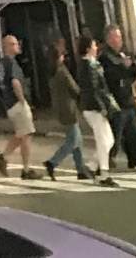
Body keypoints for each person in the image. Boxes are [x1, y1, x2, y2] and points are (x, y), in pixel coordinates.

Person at [98, 27, 136, 181]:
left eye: (120, 36)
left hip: (128, 102)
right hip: (117, 105)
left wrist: (131, 67)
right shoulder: (105, 58)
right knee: (113, 142)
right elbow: (111, 79)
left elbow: (130, 75)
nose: (119, 40)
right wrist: (124, 67)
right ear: (109, 39)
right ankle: (99, 168)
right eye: (116, 37)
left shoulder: (122, 55)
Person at [0, 34, 37, 181]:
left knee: (21, 134)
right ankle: (26, 169)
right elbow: (15, 83)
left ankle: (3, 157)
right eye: (15, 44)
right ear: (8, 46)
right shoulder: (11, 63)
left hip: (9, 104)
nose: (18, 46)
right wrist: (22, 100)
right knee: (27, 135)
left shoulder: (3, 63)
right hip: (17, 103)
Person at [41, 43, 90, 183]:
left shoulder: (52, 72)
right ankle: (53, 162)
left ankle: (81, 169)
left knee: (77, 140)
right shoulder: (62, 71)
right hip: (69, 109)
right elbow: (74, 88)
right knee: (73, 140)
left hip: (61, 109)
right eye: (62, 55)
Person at [72, 37, 115, 185]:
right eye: (94, 46)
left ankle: (91, 167)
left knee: (109, 140)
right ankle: (104, 173)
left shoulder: (89, 64)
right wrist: (102, 107)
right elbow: (94, 89)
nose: (96, 48)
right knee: (103, 140)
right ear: (88, 48)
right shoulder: (88, 66)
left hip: (91, 106)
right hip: (93, 107)